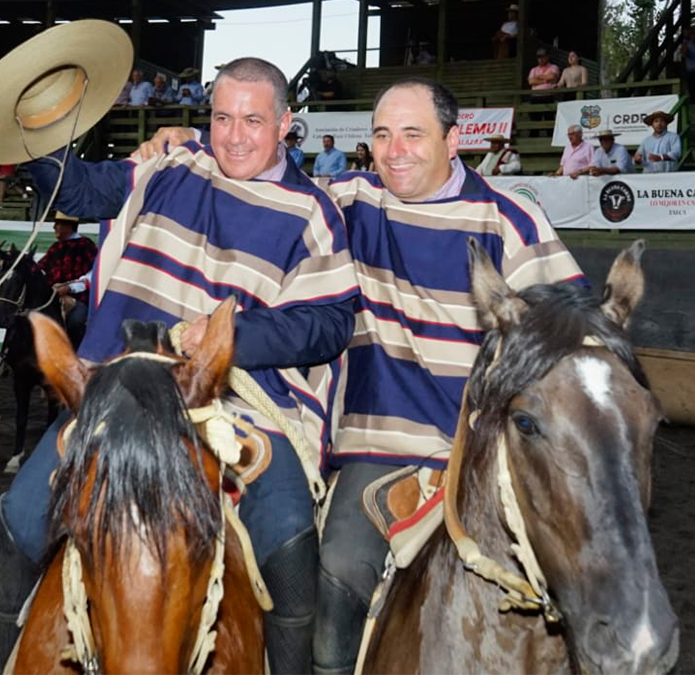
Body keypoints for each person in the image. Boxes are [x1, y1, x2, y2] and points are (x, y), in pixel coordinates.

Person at [139, 76, 587, 674]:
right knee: (338, 574)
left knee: (585, 578)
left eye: (413, 134)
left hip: (486, 447)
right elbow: (255, 164)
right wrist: (189, 138)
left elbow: (573, 339)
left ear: (454, 141)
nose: (394, 149)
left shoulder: (511, 222)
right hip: (381, 445)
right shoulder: (347, 201)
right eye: (382, 135)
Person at [0, 49, 358, 675]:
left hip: (240, 402)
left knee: (290, 537)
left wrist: (229, 335)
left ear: (286, 123)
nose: (234, 136)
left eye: (253, 121)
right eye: (223, 117)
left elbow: (328, 322)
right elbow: (79, 188)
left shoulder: (312, 211)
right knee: (20, 515)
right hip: (118, 390)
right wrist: (41, 122)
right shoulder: (169, 163)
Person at [37, 212, 98, 347]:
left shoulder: (86, 245)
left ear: (68, 226)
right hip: (53, 298)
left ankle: (76, 354)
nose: (54, 227)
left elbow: (93, 275)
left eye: (58, 224)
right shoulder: (54, 248)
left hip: (80, 299)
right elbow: (40, 270)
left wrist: (69, 288)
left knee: (76, 321)